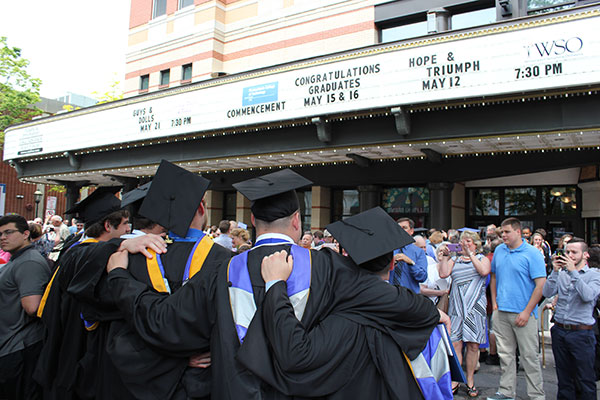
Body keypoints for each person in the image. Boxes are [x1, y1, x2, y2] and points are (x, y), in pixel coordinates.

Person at [106, 169, 447, 399]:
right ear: (298, 220)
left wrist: (120, 277)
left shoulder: (220, 271)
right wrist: (436, 314)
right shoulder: (330, 266)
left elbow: (162, 321)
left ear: (253, 220)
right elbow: (399, 304)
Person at [254, 207, 451, 399]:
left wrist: (275, 284)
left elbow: (297, 356)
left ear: (345, 258)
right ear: (393, 264)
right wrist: (433, 313)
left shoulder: (338, 314)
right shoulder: (418, 319)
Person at [105, 160, 233, 399]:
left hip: (147, 383)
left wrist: (171, 360)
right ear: (202, 208)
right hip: (204, 383)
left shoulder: (134, 258)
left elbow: (120, 335)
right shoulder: (226, 261)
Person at [34, 186, 164, 400]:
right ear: (107, 225)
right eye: (124, 225)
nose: (127, 230)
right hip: (76, 353)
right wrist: (123, 243)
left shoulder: (77, 248)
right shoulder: (80, 252)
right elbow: (90, 255)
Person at [488, 217, 546, 400]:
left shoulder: (532, 253)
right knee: (505, 356)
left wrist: (527, 311)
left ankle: (536, 396)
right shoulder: (499, 250)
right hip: (502, 312)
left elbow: (540, 285)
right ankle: (506, 392)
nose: (503, 235)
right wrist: (495, 303)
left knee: (530, 358)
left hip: (523, 314)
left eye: (507, 232)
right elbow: (494, 277)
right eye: (502, 232)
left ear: (518, 232)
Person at [0, 215, 51, 400]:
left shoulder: (28, 261)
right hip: (10, 346)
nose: (3, 237)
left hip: (18, 349)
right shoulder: (17, 258)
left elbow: (33, 307)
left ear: (26, 234)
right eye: (0, 234)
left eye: (8, 232)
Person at [542, 238, 600, 400]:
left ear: (585, 255)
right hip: (560, 330)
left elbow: (588, 296)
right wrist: (554, 271)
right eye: (567, 252)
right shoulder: (561, 274)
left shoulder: (594, 275)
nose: (569, 255)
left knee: (585, 379)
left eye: (574, 252)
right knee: (564, 379)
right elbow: (547, 293)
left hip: (581, 333)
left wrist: (573, 271)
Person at [438, 230, 490, 397]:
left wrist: (471, 255)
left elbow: (483, 272)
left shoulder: (482, 259)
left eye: (468, 241)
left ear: (475, 243)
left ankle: (470, 381)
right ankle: (455, 380)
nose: (465, 244)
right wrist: (446, 257)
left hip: (475, 308)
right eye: (462, 241)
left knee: (473, 346)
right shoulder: (455, 260)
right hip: (457, 308)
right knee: (456, 345)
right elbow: (443, 273)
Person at [390, 217, 428, 293]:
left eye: (404, 228)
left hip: (410, 296)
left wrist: (411, 263)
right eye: (398, 228)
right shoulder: (389, 250)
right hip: (390, 294)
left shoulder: (418, 252)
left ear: (411, 231)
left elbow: (422, 277)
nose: (401, 230)